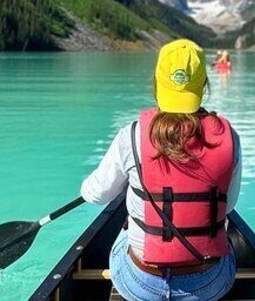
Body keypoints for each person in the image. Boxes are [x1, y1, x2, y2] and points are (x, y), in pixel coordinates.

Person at [81, 39, 242, 301]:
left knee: (123, 232)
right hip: (206, 284)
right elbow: (230, 205)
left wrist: (90, 188)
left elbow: (96, 195)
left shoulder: (130, 136)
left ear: (157, 82)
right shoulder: (230, 138)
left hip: (141, 283)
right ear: (203, 85)